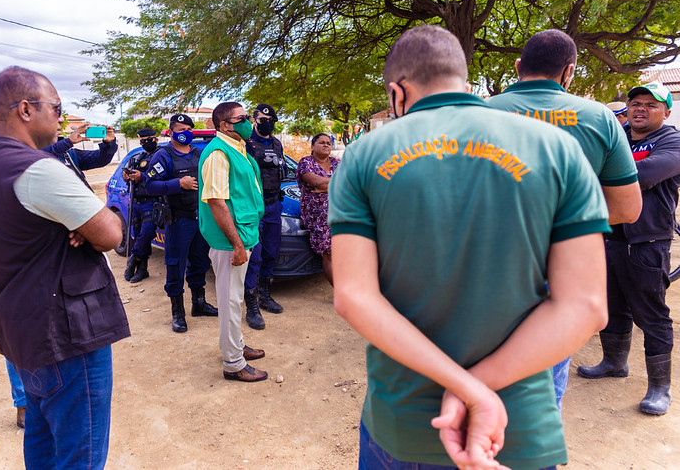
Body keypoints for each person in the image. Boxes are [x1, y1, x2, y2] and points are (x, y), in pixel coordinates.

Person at [329, 25, 610, 469]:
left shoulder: (364, 156)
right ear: (463, 80)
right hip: (516, 425)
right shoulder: (559, 150)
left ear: (396, 93)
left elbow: (353, 296)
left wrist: (466, 388)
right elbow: (587, 306)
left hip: (406, 423)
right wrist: (482, 387)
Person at [0, 66, 130, 468]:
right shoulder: (37, 168)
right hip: (65, 333)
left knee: (43, 439)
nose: (62, 117)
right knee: (80, 454)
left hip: (25, 329)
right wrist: (105, 214)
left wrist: (79, 222)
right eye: (57, 107)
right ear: (25, 109)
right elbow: (110, 235)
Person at [486, 29, 641, 409]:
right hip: (560, 272)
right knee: (541, 394)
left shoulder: (473, 113)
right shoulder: (599, 118)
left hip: (482, 271)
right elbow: (627, 208)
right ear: (568, 71)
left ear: (519, 66)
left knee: (478, 384)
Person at [3, 119, 121, 429]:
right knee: (23, 339)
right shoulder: (27, 155)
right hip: (32, 267)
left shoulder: (65, 154)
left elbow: (98, 160)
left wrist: (108, 142)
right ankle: (23, 403)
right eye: (52, 113)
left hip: (69, 253)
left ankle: (40, 403)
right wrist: (67, 142)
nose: (57, 122)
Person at [578, 81, 679, 416]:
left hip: (646, 241)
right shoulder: (616, 136)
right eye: (636, 102)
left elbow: (645, 174)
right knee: (612, 305)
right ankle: (613, 362)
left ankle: (659, 389)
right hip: (607, 236)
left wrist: (595, 170)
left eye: (651, 104)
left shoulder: (672, 140)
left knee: (651, 314)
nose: (640, 108)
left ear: (666, 111)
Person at [199, 102, 267, 382]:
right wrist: (237, 245)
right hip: (230, 241)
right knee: (229, 301)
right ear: (225, 125)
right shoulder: (218, 152)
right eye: (242, 119)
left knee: (235, 298)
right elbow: (216, 201)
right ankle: (233, 364)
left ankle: (236, 346)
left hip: (243, 233)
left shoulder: (239, 149)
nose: (248, 122)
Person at [144, 114, 216, 332]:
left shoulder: (199, 153)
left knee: (200, 262)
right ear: (171, 131)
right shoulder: (163, 155)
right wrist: (178, 184)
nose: (185, 132)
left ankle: (199, 303)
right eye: (180, 128)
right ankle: (178, 313)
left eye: (188, 128)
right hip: (178, 220)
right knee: (175, 264)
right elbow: (150, 185)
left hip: (201, 218)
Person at [243, 103, 286, 330]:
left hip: (273, 205)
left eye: (270, 120)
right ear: (254, 120)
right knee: (255, 255)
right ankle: (252, 305)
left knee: (271, 252)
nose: (267, 123)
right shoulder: (246, 143)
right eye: (262, 120)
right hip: (253, 207)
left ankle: (265, 296)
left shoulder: (277, 143)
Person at [295, 133, 340, 285]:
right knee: (329, 252)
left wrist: (324, 188)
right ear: (313, 146)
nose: (326, 145)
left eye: (329, 142)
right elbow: (316, 182)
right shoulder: (305, 162)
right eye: (322, 142)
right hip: (318, 215)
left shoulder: (336, 162)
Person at [121, 128, 159, 283]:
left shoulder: (162, 155)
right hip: (136, 202)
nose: (146, 143)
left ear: (155, 139)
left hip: (151, 202)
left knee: (146, 234)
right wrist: (126, 176)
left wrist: (141, 176)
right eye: (142, 141)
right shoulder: (140, 157)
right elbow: (131, 178)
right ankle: (142, 269)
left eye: (149, 140)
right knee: (137, 236)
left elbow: (159, 175)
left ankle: (133, 259)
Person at [42, 122, 118, 189]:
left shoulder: (68, 154)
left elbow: (101, 160)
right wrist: (68, 142)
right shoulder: (34, 154)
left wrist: (109, 144)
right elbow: (41, 155)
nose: (61, 120)